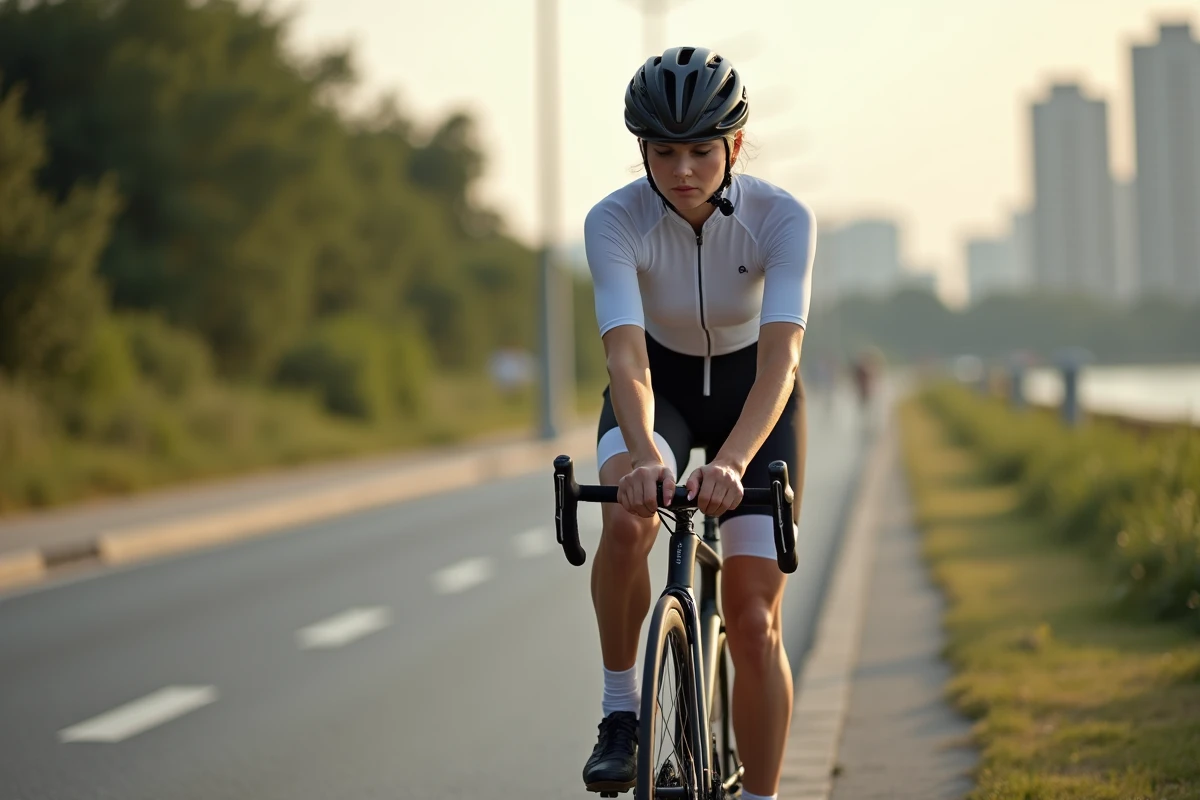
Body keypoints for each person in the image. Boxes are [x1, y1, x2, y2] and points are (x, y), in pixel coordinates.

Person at [580, 46, 816, 800]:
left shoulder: (783, 218)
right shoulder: (614, 221)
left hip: (758, 398)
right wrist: (648, 455)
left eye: (701, 150)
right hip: (662, 387)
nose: (683, 170)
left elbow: (781, 362)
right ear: (641, 152)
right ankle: (621, 713)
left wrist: (735, 464)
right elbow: (626, 361)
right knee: (626, 520)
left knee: (752, 622)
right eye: (664, 151)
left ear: (735, 146)